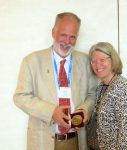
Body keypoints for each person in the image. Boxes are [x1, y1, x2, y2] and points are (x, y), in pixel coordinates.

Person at [13, 12, 97, 150]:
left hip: (77, 140)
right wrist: (51, 112)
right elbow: (20, 97)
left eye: (72, 37)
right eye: (63, 35)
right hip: (43, 142)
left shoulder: (86, 61)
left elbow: (93, 94)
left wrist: (84, 109)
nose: (67, 41)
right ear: (53, 32)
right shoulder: (31, 61)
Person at [87, 42, 127, 150]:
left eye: (102, 60)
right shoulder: (101, 86)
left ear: (112, 60)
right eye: (94, 61)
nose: (97, 65)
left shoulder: (122, 87)